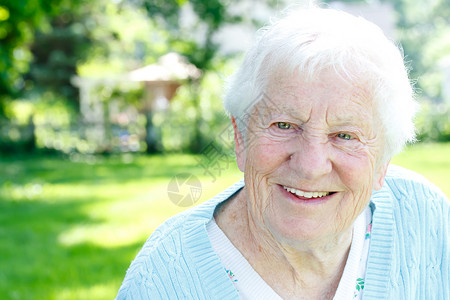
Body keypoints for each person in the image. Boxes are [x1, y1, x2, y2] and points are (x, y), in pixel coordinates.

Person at [116, 6, 449, 300]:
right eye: (284, 125)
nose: (310, 166)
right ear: (240, 137)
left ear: (384, 160)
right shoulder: (164, 281)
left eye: (345, 135)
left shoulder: (426, 219)